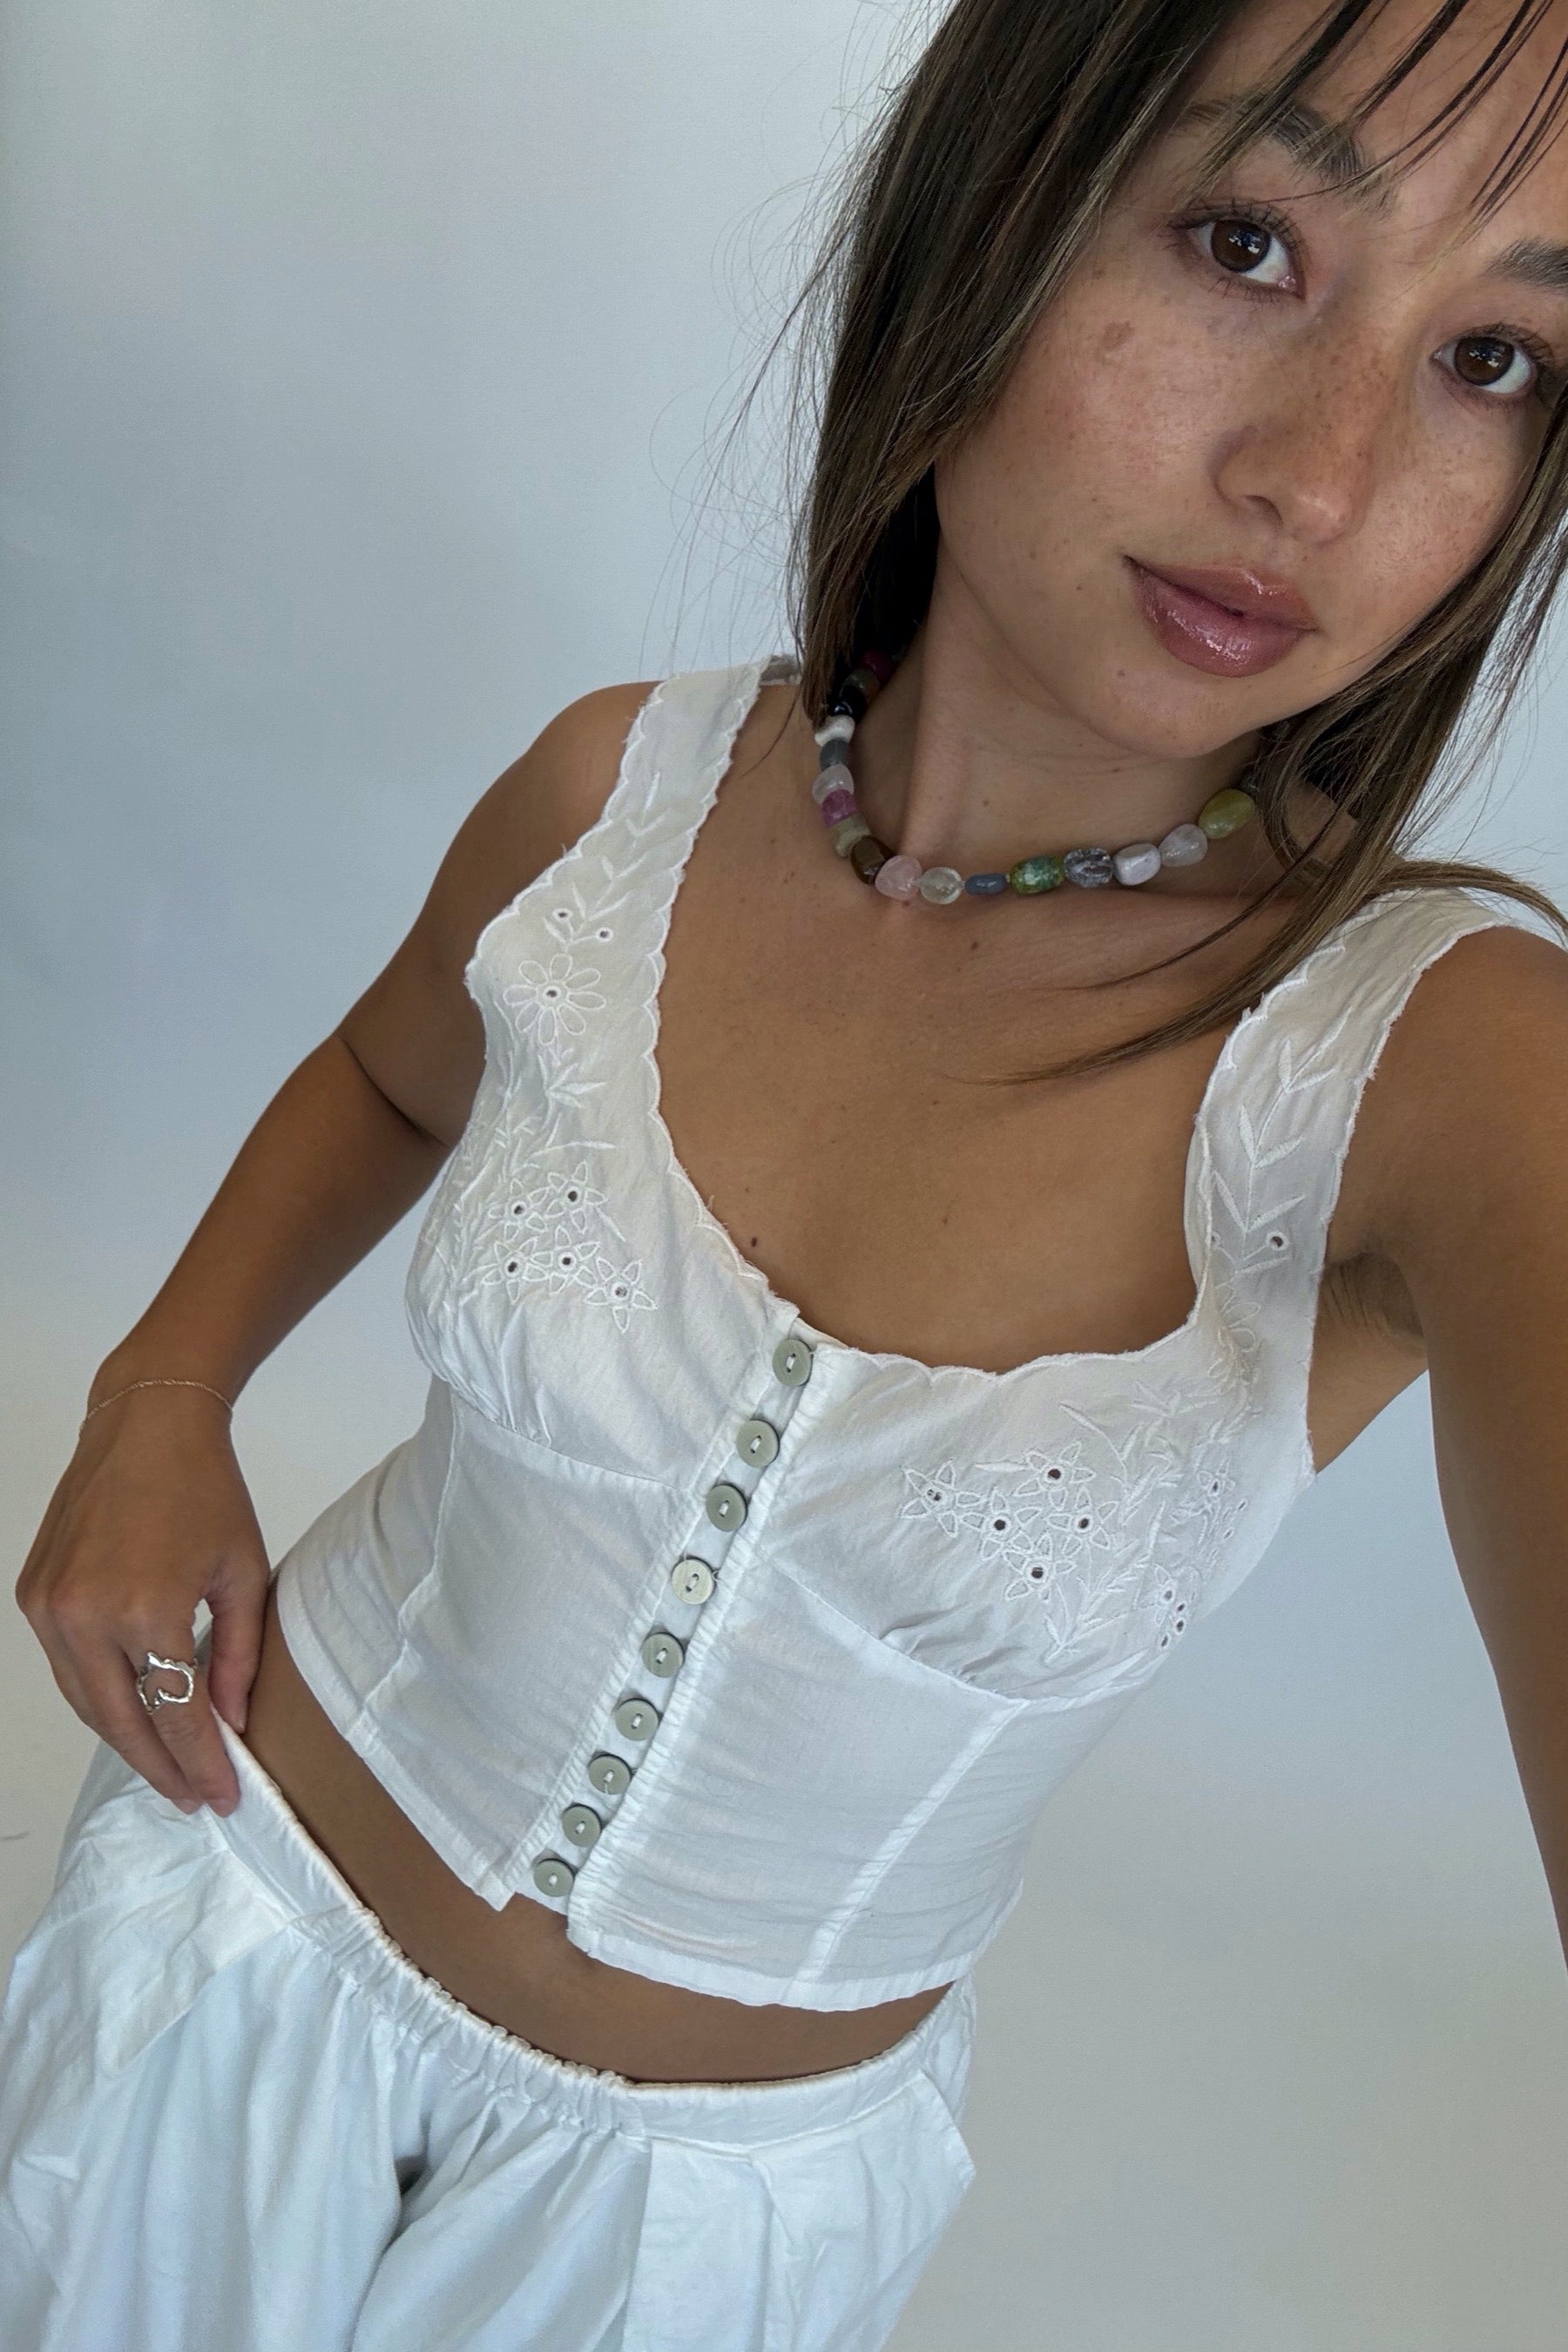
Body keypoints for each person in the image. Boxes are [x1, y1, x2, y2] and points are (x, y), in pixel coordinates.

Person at [5, 0, 1568, 2343]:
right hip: (221, 1941)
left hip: (681, 2248)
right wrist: (157, 1395)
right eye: (1248, 241)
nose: (1324, 481)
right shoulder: (617, 795)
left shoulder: (1446, 1070)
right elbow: (388, 1077)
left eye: (1498, 361)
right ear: (995, 202)